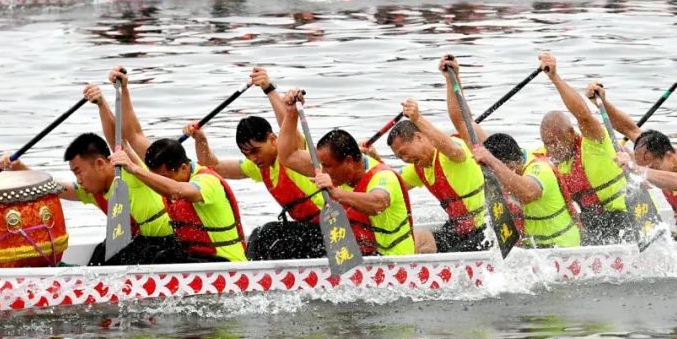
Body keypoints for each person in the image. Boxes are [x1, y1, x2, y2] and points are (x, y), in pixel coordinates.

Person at [182, 68, 327, 261]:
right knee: (260, 235)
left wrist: (269, 89)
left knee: (267, 234)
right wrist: (200, 138)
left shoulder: (294, 153)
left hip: (334, 227)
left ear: (273, 139)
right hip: (311, 230)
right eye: (246, 154)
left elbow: (287, 123)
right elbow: (213, 167)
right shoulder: (260, 166)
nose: (252, 158)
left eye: (255, 151)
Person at [440, 56, 581, 249]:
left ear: (513, 165)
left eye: (498, 174)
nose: (499, 183)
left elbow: (527, 193)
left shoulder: (541, 169)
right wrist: (452, 79)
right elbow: (463, 122)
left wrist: (491, 161)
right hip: (534, 251)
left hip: (564, 250)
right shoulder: (498, 153)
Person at [0, 128, 179, 266]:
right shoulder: (94, 191)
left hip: (168, 244)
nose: (78, 180)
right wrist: (20, 168)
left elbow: (118, 136)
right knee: (103, 250)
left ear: (100, 163)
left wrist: (101, 102)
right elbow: (54, 188)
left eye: (79, 172)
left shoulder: (129, 173)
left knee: (125, 252)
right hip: (139, 243)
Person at [277, 96, 415, 257]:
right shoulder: (335, 169)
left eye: (327, 166)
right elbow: (288, 156)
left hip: (393, 260)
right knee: (273, 235)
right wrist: (291, 113)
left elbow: (377, 204)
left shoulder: (383, 176)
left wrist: (335, 193)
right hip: (360, 253)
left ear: (348, 161)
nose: (323, 171)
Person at [592, 85, 677, 240]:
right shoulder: (659, 153)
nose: (652, 173)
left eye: (654, 167)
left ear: (669, 155)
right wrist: (601, 103)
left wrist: (637, 169)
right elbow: (630, 129)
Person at [534, 52, 632, 245]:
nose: (551, 149)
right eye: (547, 143)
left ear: (572, 133)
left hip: (625, 216)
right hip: (591, 223)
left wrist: (555, 78)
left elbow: (584, 116)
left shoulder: (594, 143)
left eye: (555, 142)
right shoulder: (546, 158)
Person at [110, 137, 248, 264]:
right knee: (146, 252)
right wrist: (123, 149)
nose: (161, 183)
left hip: (226, 263)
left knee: (163, 259)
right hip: (199, 258)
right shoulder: (168, 177)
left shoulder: (208, 181)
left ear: (183, 168)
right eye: (157, 177)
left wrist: (134, 169)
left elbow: (176, 191)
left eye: (164, 177)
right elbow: (127, 140)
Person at [386, 97, 488, 253]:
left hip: (485, 231)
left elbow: (455, 151)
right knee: (417, 241)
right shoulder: (418, 168)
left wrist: (418, 119)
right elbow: (388, 186)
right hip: (458, 229)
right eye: (399, 157)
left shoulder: (448, 154)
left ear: (419, 137)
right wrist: (368, 160)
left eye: (404, 152)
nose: (405, 159)